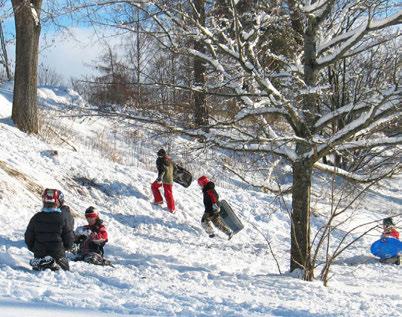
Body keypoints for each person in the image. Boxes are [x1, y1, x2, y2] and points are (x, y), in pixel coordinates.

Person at [25, 188, 74, 271]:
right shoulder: (62, 218)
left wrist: (36, 250)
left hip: (39, 256)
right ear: (59, 201)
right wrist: (63, 248)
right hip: (58, 256)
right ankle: (51, 263)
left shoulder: (36, 217)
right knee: (63, 271)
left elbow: (28, 238)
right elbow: (69, 240)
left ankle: (41, 262)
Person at [197, 176, 233, 240]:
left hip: (211, 209)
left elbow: (214, 196)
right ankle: (229, 232)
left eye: (200, 184)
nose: (200, 185)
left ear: (203, 183)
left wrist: (214, 204)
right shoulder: (208, 188)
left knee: (204, 221)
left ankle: (211, 233)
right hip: (213, 209)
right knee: (217, 222)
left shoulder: (209, 189)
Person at [151, 148, 176, 213]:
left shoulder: (161, 160)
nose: (159, 156)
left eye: (159, 155)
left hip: (164, 179)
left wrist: (159, 179)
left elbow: (162, 171)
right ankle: (161, 202)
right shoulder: (170, 160)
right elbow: (175, 169)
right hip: (169, 179)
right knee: (168, 193)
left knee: (167, 193)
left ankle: (171, 208)